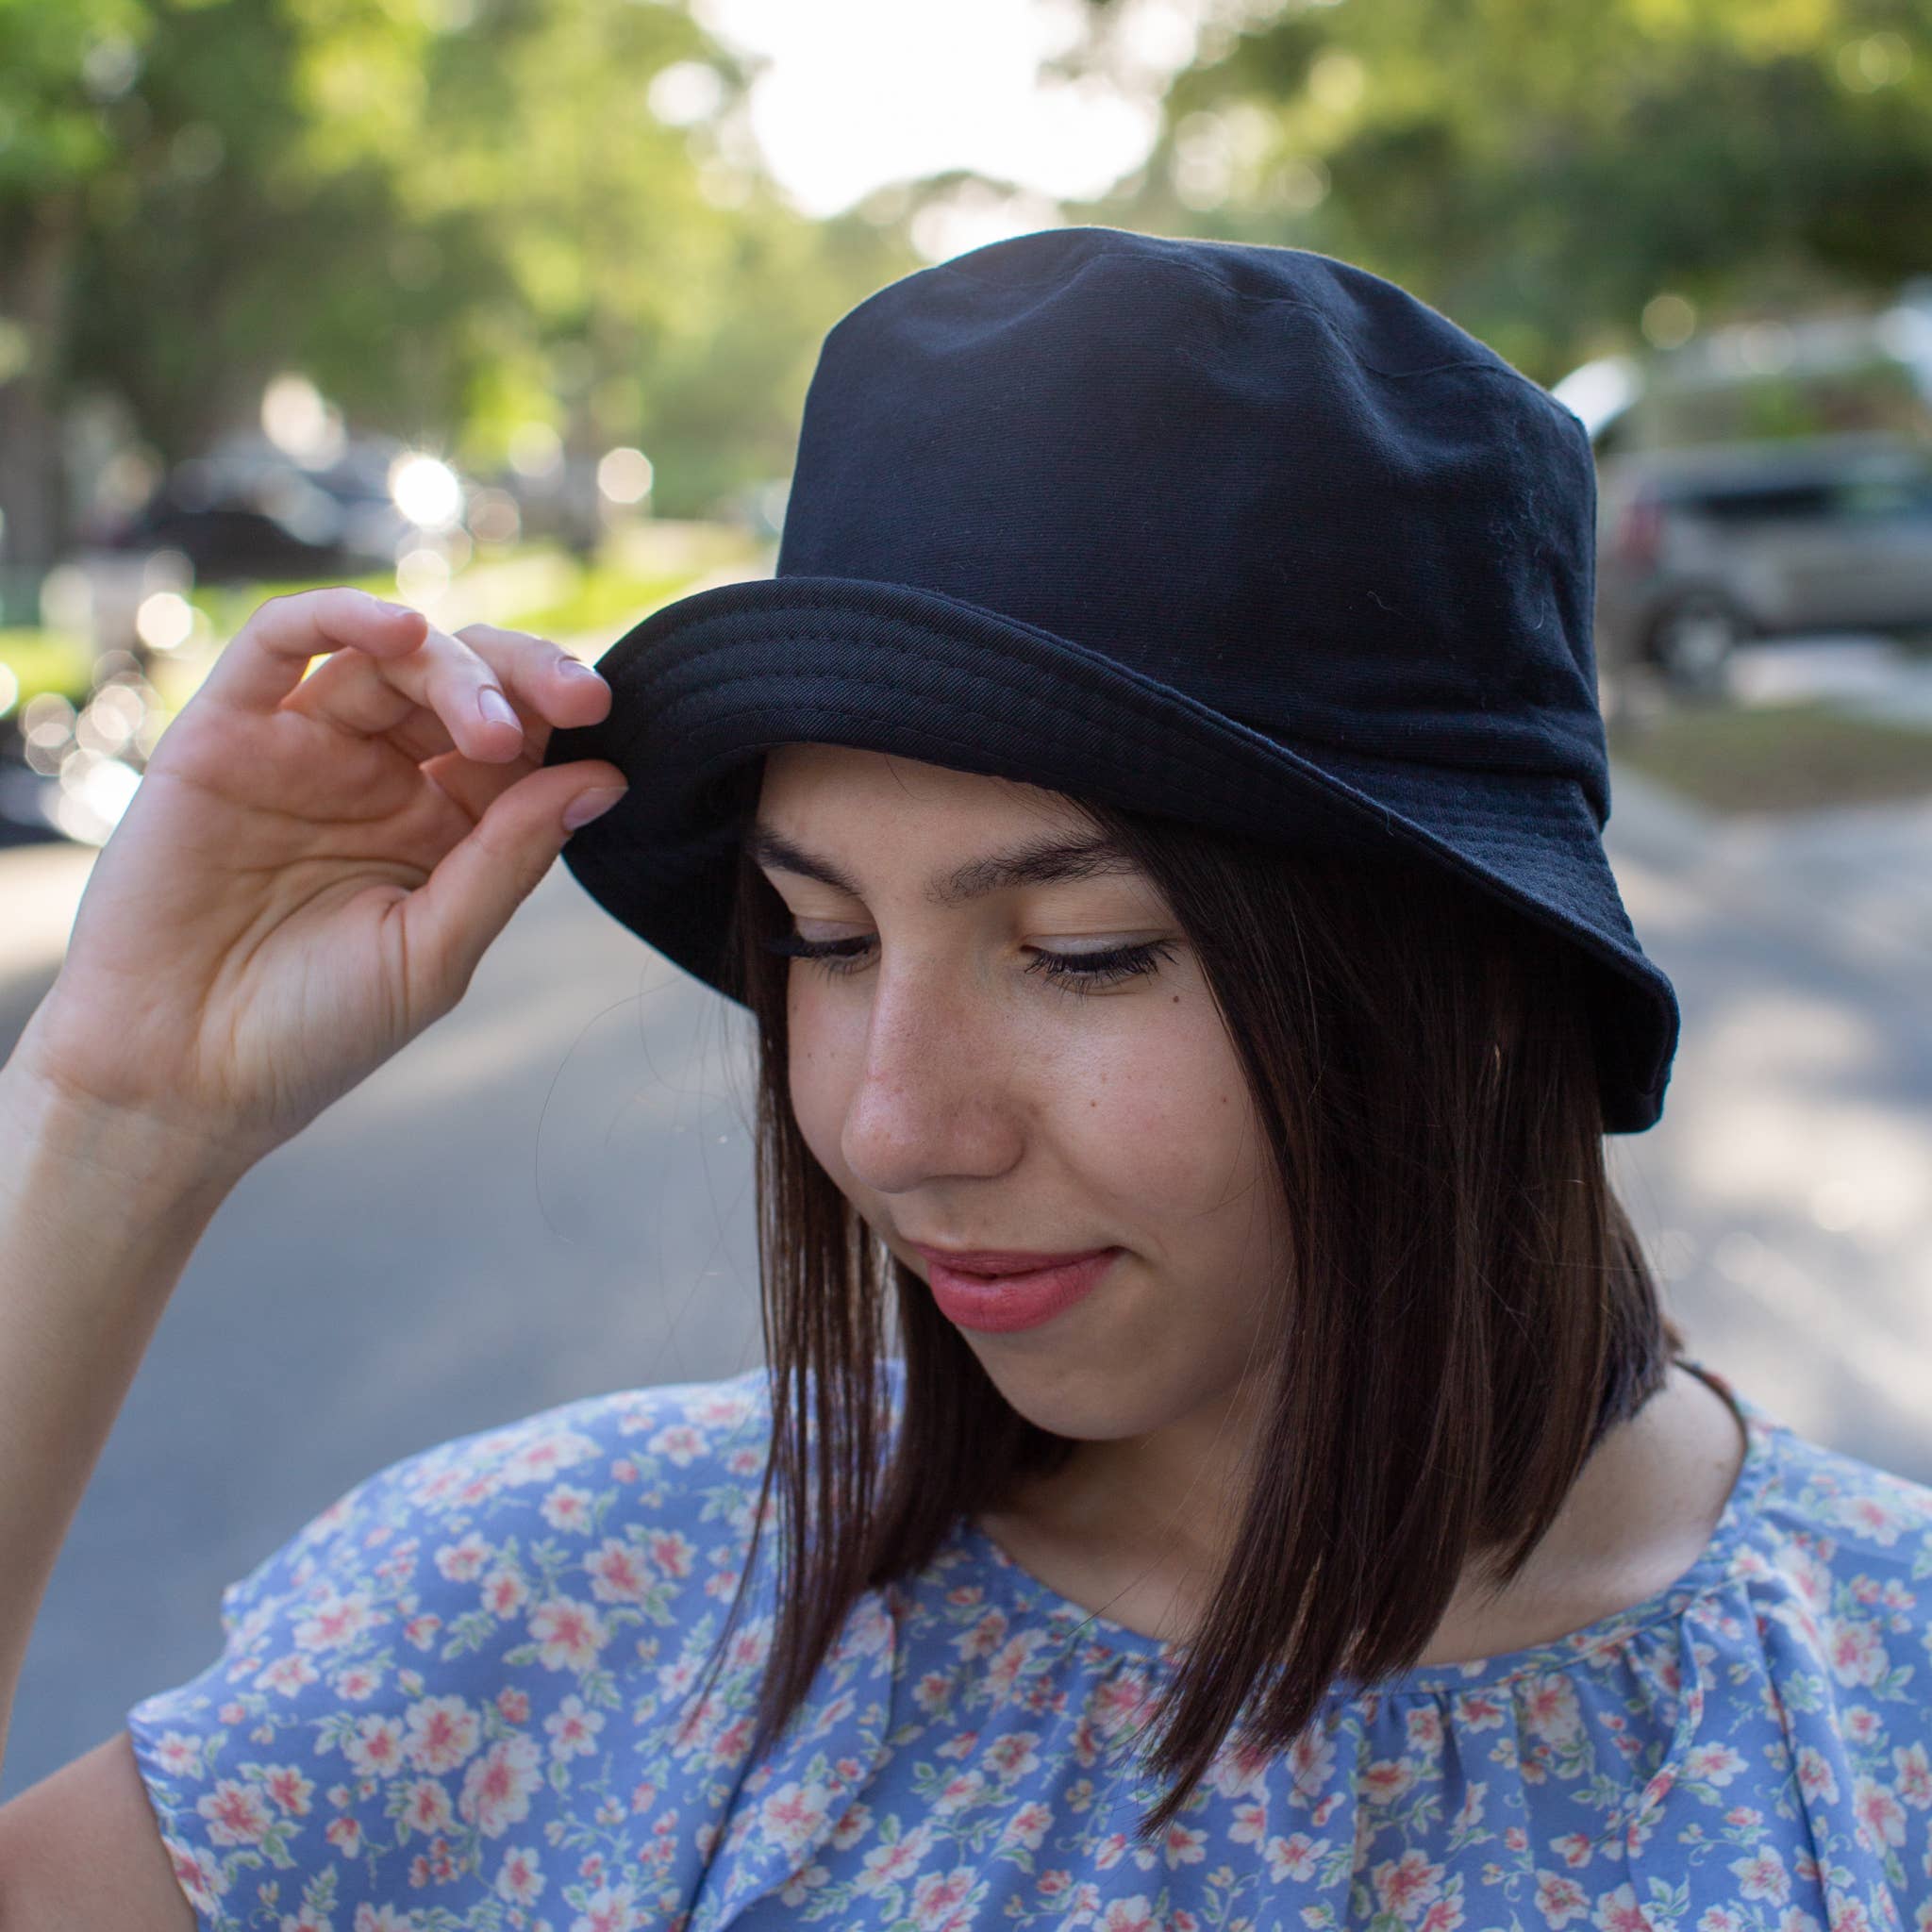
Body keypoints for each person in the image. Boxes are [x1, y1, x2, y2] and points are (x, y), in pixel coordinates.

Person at [0, 225, 1927, 1930]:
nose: (891, 1126)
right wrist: (115, 1117)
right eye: (821, 937)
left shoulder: (1873, 1715)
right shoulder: (574, 1612)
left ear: (1473, 985)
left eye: (1083, 950)